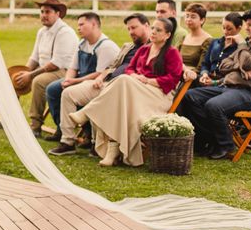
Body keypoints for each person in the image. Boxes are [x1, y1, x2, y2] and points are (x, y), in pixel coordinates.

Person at [68, 17, 183, 166]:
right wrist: (136, 77)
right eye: (153, 28)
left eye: (158, 30)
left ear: (167, 35)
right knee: (120, 99)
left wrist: (147, 81)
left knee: (123, 80)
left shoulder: (172, 53)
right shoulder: (143, 49)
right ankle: (112, 150)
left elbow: (172, 79)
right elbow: (130, 69)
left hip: (158, 94)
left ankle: (87, 112)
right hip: (135, 90)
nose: (153, 32)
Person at [49, 13, 151, 156]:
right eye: (128, 29)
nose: (131, 32)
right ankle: (67, 141)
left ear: (146, 26)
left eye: (134, 27)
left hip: (124, 88)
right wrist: (100, 77)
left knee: (100, 99)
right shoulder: (128, 46)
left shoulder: (153, 49)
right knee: (68, 93)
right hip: (105, 82)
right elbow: (112, 66)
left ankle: (95, 144)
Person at [180, 6, 251, 159]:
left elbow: (249, 62)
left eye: (250, 24)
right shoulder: (248, 44)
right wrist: (241, 67)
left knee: (213, 105)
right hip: (228, 87)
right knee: (190, 96)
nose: (246, 28)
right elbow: (224, 65)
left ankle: (226, 145)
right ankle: (211, 139)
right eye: (246, 24)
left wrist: (241, 49)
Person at [0, 0, 78, 137]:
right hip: (45, 69)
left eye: (47, 12)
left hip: (64, 72)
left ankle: (35, 126)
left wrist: (30, 75)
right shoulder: (42, 32)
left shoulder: (65, 32)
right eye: (41, 12)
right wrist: (22, 72)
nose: (43, 16)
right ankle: (8, 119)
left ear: (57, 14)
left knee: (38, 81)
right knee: (14, 77)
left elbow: (55, 63)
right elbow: (34, 57)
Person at [44, 12, 120, 142]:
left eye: (81, 24)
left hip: (98, 84)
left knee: (72, 93)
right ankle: (61, 128)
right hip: (80, 79)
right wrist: (68, 79)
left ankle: (87, 132)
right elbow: (73, 67)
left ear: (94, 24)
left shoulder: (106, 46)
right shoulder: (82, 44)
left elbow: (100, 73)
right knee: (53, 89)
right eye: (78, 25)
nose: (78, 28)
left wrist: (75, 81)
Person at [199, 12, 243, 87]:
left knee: (190, 94)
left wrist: (214, 82)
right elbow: (205, 63)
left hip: (224, 84)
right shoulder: (215, 42)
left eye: (229, 29)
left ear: (239, 28)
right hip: (208, 78)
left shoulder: (241, 48)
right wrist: (204, 74)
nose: (225, 32)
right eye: (223, 28)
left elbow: (236, 74)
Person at [178, 3, 212, 82]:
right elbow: (175, 59)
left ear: (202, 20)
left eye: (193, 16)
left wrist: (188, 73)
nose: (189, 19)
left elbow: (202, 67)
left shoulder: (208, 40)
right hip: (178, 72)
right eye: (187, 16)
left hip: (192, 79)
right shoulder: (184, 38)